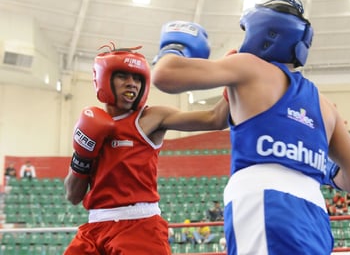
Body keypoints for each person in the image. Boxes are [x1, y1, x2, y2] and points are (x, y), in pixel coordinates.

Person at [151, 0, 350, 253]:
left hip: (264, 200)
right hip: (314, 212)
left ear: (263, 33)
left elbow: (165, 75)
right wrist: (308, 160)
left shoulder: (248, 66)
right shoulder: (325, 106)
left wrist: (176, 46)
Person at [63, 43, 229, 255]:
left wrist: (233, 79)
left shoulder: (150, 119)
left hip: (139, 226)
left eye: (137, 78)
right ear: (105, 78)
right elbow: (72, 195)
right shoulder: (90, 125)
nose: (132, 84)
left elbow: (215, 119)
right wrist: (82, 156)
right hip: (94, 228)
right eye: (123, 76)